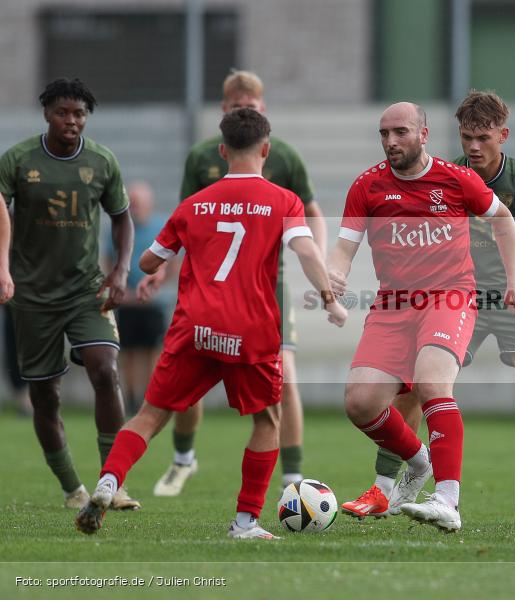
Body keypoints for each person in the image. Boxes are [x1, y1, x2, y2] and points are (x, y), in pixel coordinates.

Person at [75, 108, 347, 539]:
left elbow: (148, 260)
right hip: (251, 329)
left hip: (194, 327)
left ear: (223, 151)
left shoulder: (193, 204)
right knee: (267, 422)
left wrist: (151, 271)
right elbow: (308, 252)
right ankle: (245, 522)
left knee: (148, 415)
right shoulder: (283, 200)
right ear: (266, 149)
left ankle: (109, 482)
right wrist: (331, 300)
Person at [341, 91, 515, 528]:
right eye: (467, 137)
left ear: (502, 136)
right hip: (452, 296)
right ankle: (384, 487)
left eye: (483, 138)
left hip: (513, 298)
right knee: (414, 385)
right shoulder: (443, 174)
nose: (473, 147)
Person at [147, 70, 326, 496]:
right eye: (237, 106)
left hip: (267, 287)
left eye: (253, 105)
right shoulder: (202, 158)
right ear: (224, 112)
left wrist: (317, 266)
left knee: (286, 379)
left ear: (263, 110)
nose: (246, 110)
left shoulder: (283, 156)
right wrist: (161, 274)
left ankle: (293, 477)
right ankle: (183, 458)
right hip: (207, 289)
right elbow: (181, 224)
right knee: (187, 380)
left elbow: (313, 214)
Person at [0, 78, 139, 510]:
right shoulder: (18, 160)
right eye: (63, 112)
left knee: (105, 370)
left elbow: (122, 219)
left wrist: (119, 270)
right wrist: (3, 270)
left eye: (79, 114)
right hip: (33, 294)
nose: (72, 121)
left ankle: (111, 483)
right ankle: (71, 488)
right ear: (47, 113)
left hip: (85, 289)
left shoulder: (101, 161)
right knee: (46, 394)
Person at [113, 181, 168, 415]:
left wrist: (160, 285)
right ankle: (131, 397)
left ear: (149, 204)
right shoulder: (120, 229)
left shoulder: (160, 226)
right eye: (132, 204)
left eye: (139, 204)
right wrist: (118, 288)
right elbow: (110, 260)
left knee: (152, 351)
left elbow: (173, 262)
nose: (135, 208)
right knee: (129, 351)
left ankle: (150, 397)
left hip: (152, 302)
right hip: (127, 301)